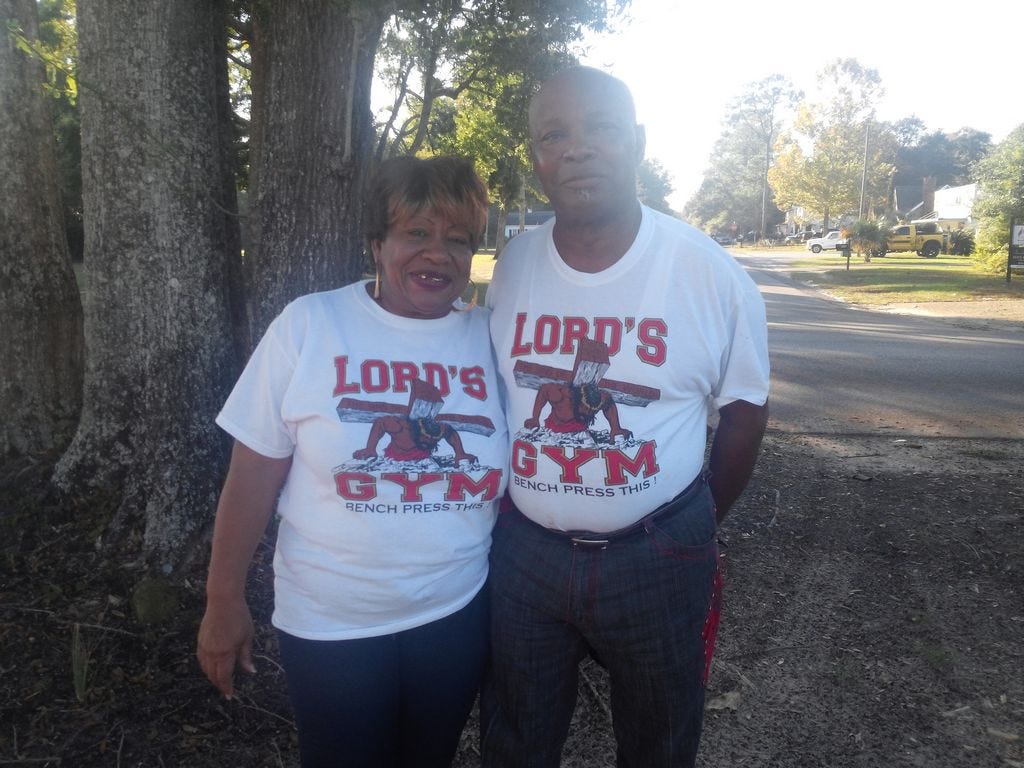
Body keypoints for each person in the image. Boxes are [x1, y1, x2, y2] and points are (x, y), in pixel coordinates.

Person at [482, 66, 770, 767]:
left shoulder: (708, 272)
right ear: (536, 157)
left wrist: (691, 520)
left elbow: (745, 411)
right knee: (515, 741)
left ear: (637, 141)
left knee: (659, 743)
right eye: (554, 134)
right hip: (525, 556)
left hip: (657, 555)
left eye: (601, 128)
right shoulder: (514, 265)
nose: (577, 148)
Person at [196, 155, 508, 768]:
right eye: (416, 232)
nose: (437, 253)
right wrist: (223, 598)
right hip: (333, 619)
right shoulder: (310, 324)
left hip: (454, 611)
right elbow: (252, 474)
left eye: (457, 239)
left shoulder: (491, 337)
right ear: (377, 244)